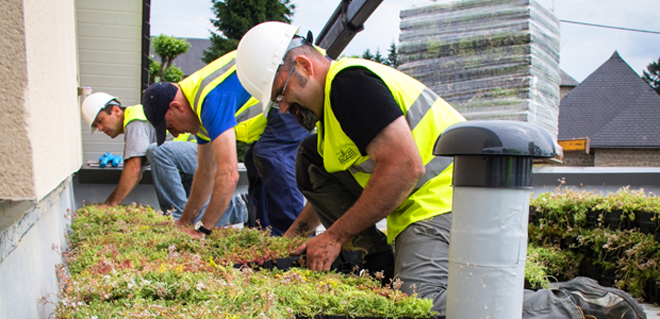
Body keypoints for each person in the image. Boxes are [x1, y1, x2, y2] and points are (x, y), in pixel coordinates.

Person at [234, 21, 646, 319]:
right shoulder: (331, 117)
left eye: (281, 94)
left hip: (446, 202)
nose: (284, 108)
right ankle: (381, 266)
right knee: (309, 157)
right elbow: (326, 175)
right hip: (424, 206)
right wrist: (299, 235)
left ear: (303, 66)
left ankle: (577, 303)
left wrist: (336, 236)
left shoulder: (349, 85)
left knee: (423, 306)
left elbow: (405, 166)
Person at [141, 50, 309, 238]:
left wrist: (203, 230)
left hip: (292, 85)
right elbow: (205, 172)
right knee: (254, 160)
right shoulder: (196, 107)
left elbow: (229, 174)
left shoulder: (210, 101)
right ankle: (266, 234)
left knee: (270, 155)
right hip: (276, 102)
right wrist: (183, 222)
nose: (174, 133)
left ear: (176, 107)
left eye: (169, 125)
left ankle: (294, 240)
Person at [80, 92, 246, 227]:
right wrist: (108, 203)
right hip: (190, 162)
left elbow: (134, 170)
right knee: (196, 211)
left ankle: (176, 215)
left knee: (157, 152)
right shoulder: (136, 119)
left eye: (100, 121)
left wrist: (110, 205)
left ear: (116, 110)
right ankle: (245, 208)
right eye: (96, 126)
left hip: (201, 156)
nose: (100, 128)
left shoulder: (134, 121)